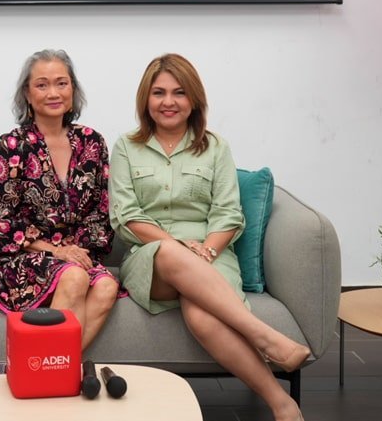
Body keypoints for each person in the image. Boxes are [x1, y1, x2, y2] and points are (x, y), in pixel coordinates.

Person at [109, 54, 309, 421]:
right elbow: (125, 215)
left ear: (194, 100)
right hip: (151, 258)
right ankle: (266, 337)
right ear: (146, 99)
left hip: (211, 253)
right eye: (159, 93)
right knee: (169, 253)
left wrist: (206, 251)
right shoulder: (126, 145)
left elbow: (229, 213)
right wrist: (176, 244)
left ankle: (283, 404)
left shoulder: (215, 146)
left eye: (179, 93)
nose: (168, 102)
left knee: (202, 319)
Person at [0, 49, 120, 349]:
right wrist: (57, 252)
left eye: (62, 83)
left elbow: (100, 211)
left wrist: (76, 249)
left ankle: (50, 369)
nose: (53, 93)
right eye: (42, 85)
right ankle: (52, 375)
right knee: (74, 278)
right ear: (27, 95)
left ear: (73, 90)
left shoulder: (92, 143)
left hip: (76, 254)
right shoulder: (12, 145)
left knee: (107, 286)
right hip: (21, 257)